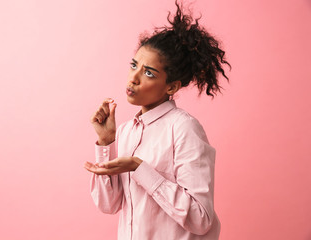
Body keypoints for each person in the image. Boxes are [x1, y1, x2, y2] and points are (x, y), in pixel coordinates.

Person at [84, 1, 231, 239]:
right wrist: (107, 141)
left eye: (148, 72)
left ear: (171, 86)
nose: (133, 78)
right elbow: (108, 205)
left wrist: (140, 169)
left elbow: (201, 219)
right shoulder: (125, 131)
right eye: (134, 65)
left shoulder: (183, 128)